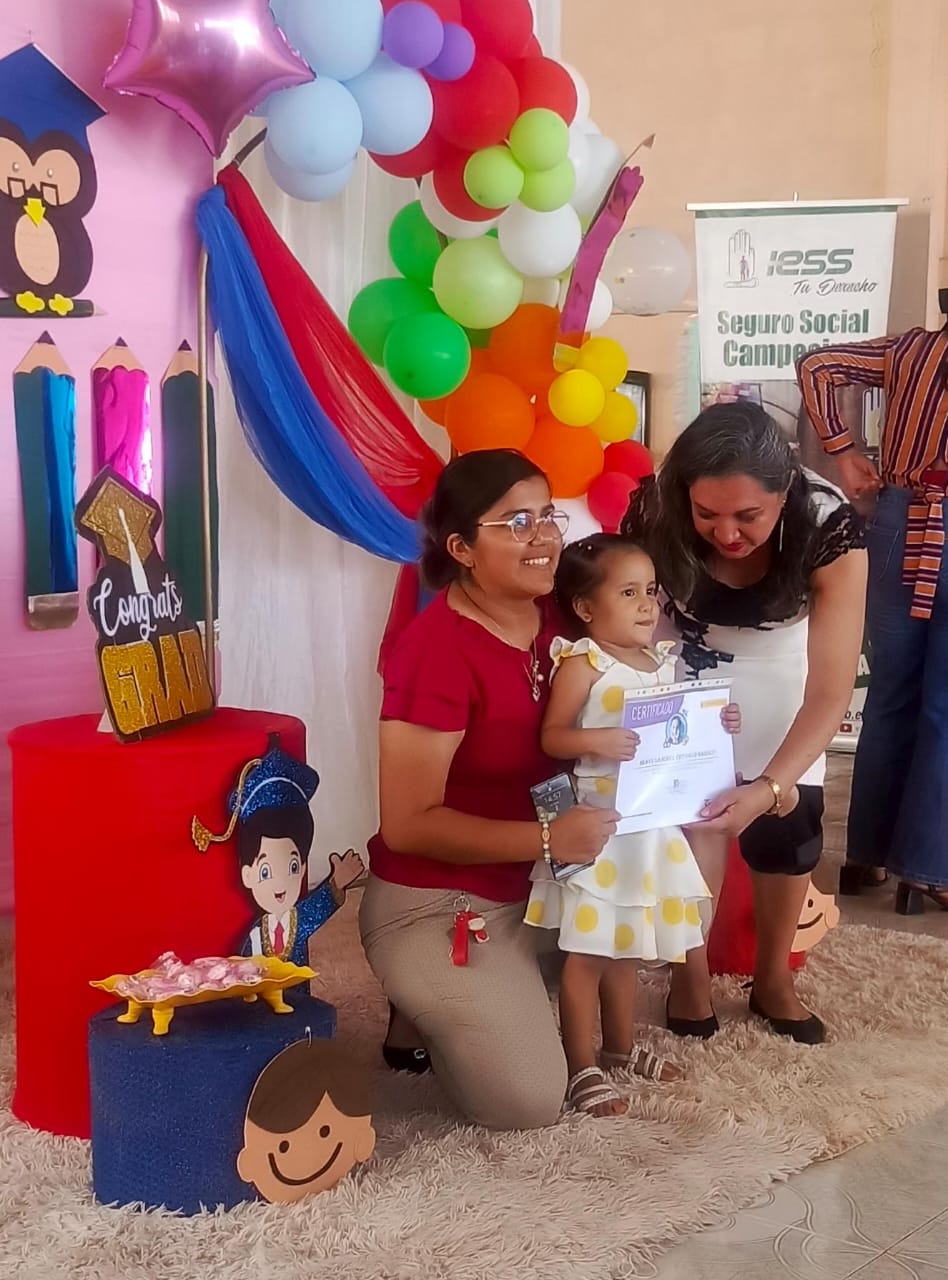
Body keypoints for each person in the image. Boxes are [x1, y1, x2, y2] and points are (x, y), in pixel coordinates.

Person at [360, 449, 619, 1130]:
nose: (545, 537)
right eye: (517, 522)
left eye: (548, 516)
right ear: (462, 549)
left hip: (541, 879)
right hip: (441, 900)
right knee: (527, 1101)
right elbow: (408, 824)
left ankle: (490, 990)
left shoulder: (563, 617)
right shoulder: (434, 652)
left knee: (651, 931)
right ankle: (423, 1002)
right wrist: (548, 838)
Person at [622, 402, 867, 1044]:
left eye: (748, 516)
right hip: (680, 663)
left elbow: (830, 691)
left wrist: (769, 787)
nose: (726, 533)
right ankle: (690, 976)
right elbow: (628, 617)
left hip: (783, 669)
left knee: (791, 825)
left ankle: (774, 979)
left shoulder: (829, 524)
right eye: (707, 514)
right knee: (687, 826)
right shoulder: (653, 508)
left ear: (785, 492)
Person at [525, 535, 739, 1116]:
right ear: (585, 607)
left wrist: (717, 721)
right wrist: (596, 739)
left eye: (650, 590)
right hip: (599, 830)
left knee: (627, 950)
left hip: (651, 831)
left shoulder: (662, 661)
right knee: (587, 955)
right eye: (628, 593)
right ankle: (581, 1064)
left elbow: (679, 737)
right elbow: (552, 736)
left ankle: (619, 1048)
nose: (647, 604)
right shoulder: (585, 661)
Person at [797, 321, 948, 913]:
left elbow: (816, 366)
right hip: (921, 521)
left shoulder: (910, 349)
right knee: (943, 705)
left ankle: (867, 855)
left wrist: (844, 451)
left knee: (889, 694)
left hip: (900, 519)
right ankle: (927, 865)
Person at [191, 736, 365, 964]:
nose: (280, 883)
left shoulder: (299, 921)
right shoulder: (256, 937)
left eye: (293, 867)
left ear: (303, 868)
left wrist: (336, 884)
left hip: (299, 987)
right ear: (248, 874)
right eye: (265, 872)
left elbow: (317, 908)